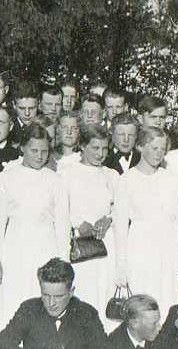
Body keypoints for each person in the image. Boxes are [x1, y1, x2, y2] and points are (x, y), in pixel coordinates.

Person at [0, 124, 69, 349]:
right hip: (15, 248)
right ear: (22, 148)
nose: (40, 156)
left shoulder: (56, 181)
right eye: (34, 150)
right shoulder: (5, 178)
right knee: (14, 299)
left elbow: (62, 224)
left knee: (41, 298)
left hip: (46, 247)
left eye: (44, 151)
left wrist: (63, 261)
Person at [113, 126, 178, 323]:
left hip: (167, 248)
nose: (159, 153)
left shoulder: (171, 179)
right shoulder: (127, 179)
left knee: (167, 299)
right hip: (140, 248)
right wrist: (121, 264)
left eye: (162, 149)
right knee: (143, 300)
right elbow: (120, 226)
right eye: (154, 148)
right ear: (140, 147)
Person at [59, 124, 118, 331]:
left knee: (104, 290)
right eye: (95, 148)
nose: (100, 154)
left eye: (104, 148)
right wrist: (78, 222)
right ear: (83, 146)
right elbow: (61, 208)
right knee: (83, 290)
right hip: (80, 245)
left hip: (105, 244)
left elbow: (121, 208)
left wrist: (108, 219)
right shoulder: (66, 173)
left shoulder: (111, 175)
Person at [8, 80, 39, 147]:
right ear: (14, 105)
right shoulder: (7, 129)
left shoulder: (46, 127)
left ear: (38, 104)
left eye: (31, 108)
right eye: (22, 108)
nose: (27, 113)